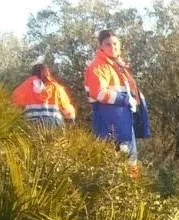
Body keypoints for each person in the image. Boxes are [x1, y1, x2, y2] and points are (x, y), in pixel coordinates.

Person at [84, 29, 149, 164]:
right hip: (110, 126)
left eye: (115, 43)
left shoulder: (117, 66)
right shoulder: (99, 66)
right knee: (115, 167)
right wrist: (125, 99)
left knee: (131, 164)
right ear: (100, 46)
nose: (112, 47)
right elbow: (99, 93)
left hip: (124, 125)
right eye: (108, 44)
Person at [10, 63, 77, 128]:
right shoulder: (56, 88)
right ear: (48, 73)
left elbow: (12, 108)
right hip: (54, 125)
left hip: (31, 126)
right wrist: (70, 122)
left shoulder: (24, 86)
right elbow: (69, 113)